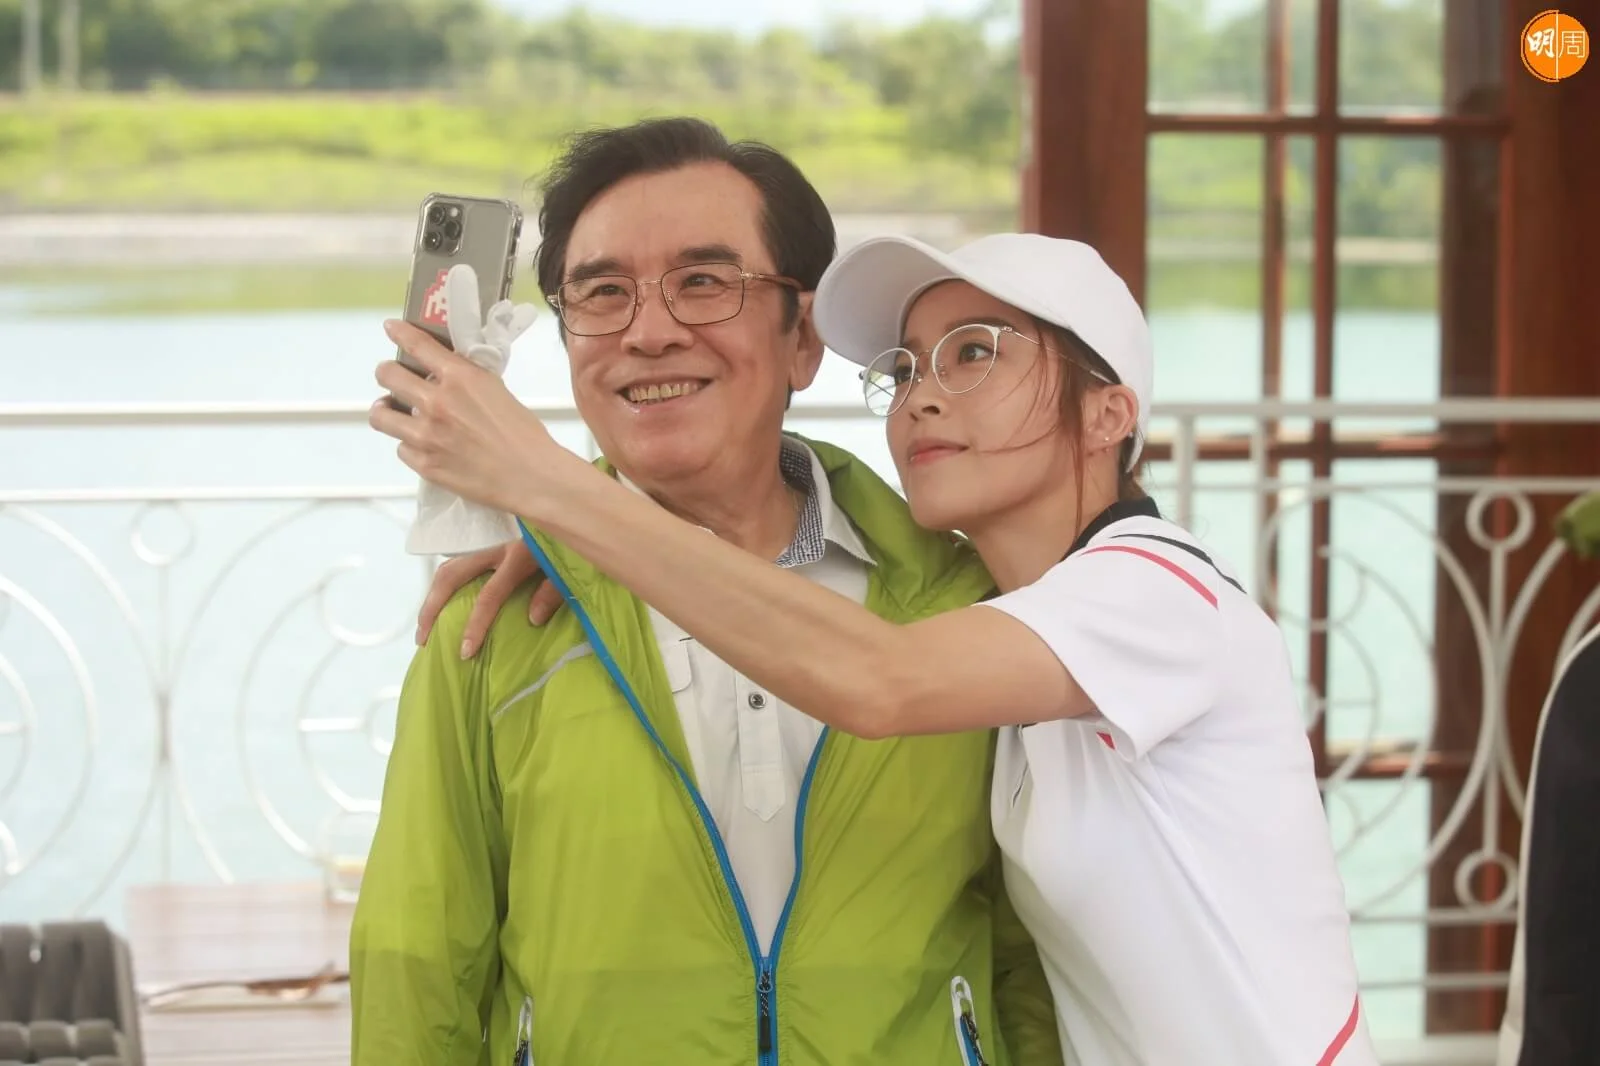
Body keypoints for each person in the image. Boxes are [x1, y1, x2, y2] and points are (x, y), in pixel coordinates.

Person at [372, 226, 1381, 1066]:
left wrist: (554, 491)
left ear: (1107, 413)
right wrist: (579, 555)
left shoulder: (1161, 596)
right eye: (903, 368)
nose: (920, 396)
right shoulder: (1006, 633)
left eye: (974, 352)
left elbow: (877, 679)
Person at [348, 117, 1061, 1066]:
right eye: (603, 293)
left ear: (804, 339)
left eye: (703, 283)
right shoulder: (495, 621)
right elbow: (418, 959)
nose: (649, 333)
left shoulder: (966, 611)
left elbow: (1030, 952)